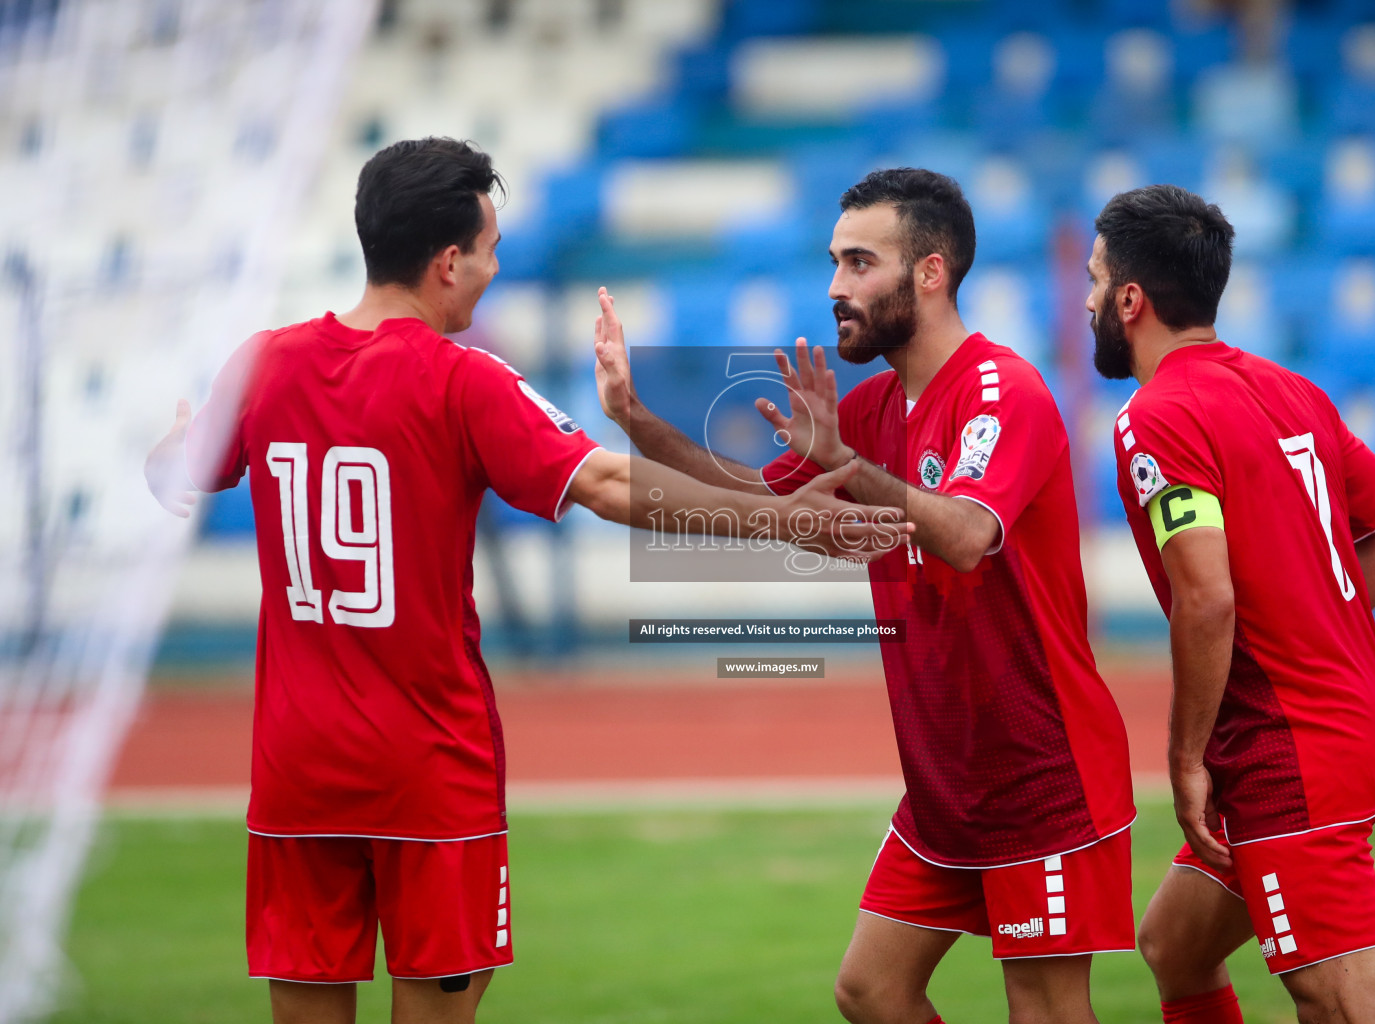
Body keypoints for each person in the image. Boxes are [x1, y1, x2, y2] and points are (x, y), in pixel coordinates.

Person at [143, 137, 904, 1024]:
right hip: (426, 767)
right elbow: (609, 485)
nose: (497, 268)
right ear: (446, 261)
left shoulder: (263, 362)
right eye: (492, 249)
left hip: (296, 772)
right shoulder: (462, 378)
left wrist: (167, 456)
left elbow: (174, 476)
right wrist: (786, 519)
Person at [593, 167, 1137, 1024]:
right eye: (836, 264)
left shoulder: (1005, 392)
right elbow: (756, 503)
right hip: (944, 782)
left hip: (1040, 772)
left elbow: (962, 536)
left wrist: (848, 463)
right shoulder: (874, 407)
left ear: (930, 273)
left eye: (859, 263)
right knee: (871, 991)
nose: (836, 288)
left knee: (1045, 1011)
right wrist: (635, 419)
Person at [1084, 183, 1375, 1024]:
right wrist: (1321, 625)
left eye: (1096, 280)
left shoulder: (1157, 418)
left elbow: (1206, 600)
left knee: (1343, 1005)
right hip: (1353, 721)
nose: (1088, 297)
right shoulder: (1292, 391)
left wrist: (1185, 759)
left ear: (1131, 300)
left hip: (1291, 751)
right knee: (1177, 946)